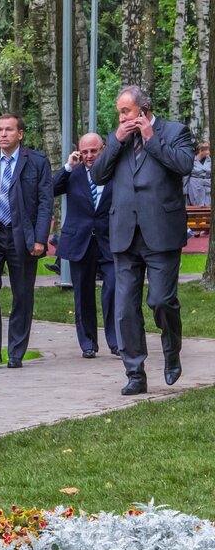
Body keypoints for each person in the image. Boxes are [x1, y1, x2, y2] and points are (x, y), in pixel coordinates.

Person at [91, 86, 194, 395]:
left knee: (162, 301)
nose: (121, 118)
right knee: (124, 309)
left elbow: (184, 165)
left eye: (126, 112)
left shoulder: (175, 132)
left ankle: (172, 351)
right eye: (119, 113)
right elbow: (97, 175)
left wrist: (151, 138)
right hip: (124, 233)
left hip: (161, 232)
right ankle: (135, 372)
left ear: (144, 108)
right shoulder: (117, 137)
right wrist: (115, 143)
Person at [0, 113, 53, 369]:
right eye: (0, 130)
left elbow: (46, 203)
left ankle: (16, 351)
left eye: (9, 130)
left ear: (20, 134)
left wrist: (40, 238)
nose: (3, 134)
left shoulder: (37, 162)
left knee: (22, 294)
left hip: (22, 236)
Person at [53, 132, 118, 359]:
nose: (90, 156)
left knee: (113, 289)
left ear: (103, 149)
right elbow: (50, 189)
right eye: (85, 151)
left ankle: (116, 341)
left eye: (94, 150)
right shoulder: (74, 173)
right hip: (79, 241)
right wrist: (68, 167)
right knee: (83, 294)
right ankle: (88, 343)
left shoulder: (113, 170)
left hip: (109, 241)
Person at [185, 142, 211, 207]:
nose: (209, 151)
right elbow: (186, 175)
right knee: (197, 205)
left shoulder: (210, 160)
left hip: (207, 186)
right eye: (207, 150)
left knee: (208, 206)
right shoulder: (192, 160)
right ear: (201, 151)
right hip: (195, 186)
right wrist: (185, 190)